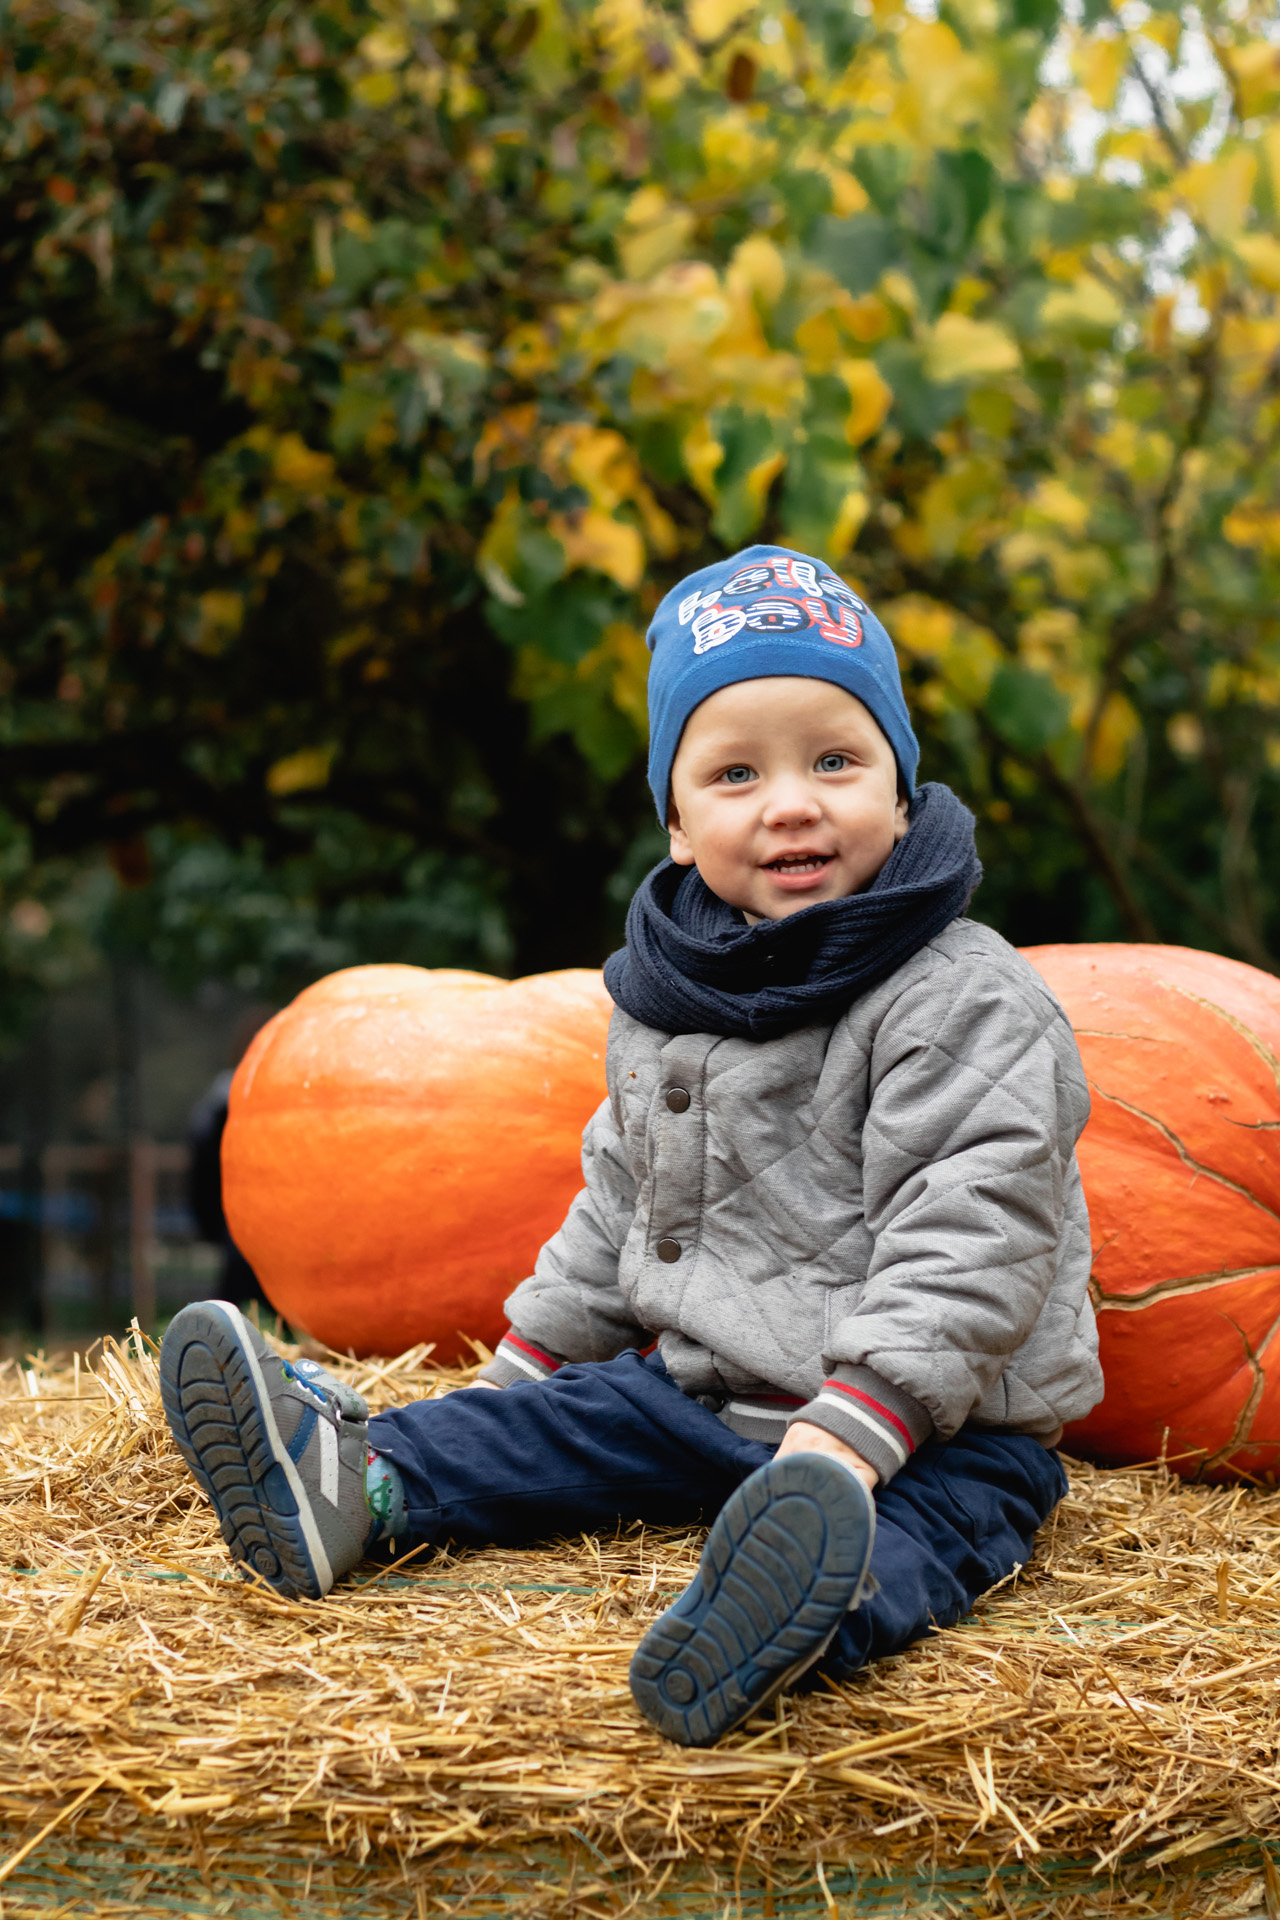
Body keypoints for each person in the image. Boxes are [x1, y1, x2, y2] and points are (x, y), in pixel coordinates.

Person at [160, 543, 1102, 1748]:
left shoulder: (961, 999)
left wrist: (849, 1432)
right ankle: (351, 1484)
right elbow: (619, 1207)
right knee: (520, 1433)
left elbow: (973, 1233)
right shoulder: (669, 998)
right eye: (734, 773)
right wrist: (522, 1377)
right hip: (704, 1393)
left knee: (923, 1532)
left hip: (935, 1432)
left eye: (835, 759)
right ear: (675, 820)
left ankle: (801, 1611)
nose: (791, 801)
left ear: (901, 791)